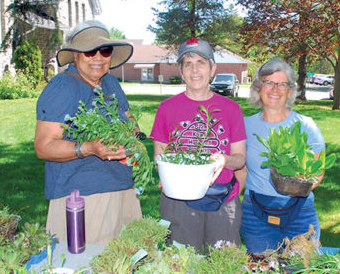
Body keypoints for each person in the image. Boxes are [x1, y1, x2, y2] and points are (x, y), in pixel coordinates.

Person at [34, 20, 142, 245]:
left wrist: (130, 133)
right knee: (88, 269)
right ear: (75, 55)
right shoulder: (63, 87)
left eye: (104, 51)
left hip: (123, 187)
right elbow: (44, 146)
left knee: (126, 265)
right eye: (89, 51)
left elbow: (130, 121)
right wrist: (89, 148)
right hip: (84, 196)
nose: (98, 58)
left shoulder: (110, 83)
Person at [150, 38, 246, 253]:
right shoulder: (166, 109)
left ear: (213, 69)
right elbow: (160, 157)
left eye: (201, 62)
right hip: (179, 201)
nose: (194, 70)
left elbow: (240, 157)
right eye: (188, 63)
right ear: (181, 71)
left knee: (224, 268)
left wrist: (225, 160)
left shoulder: (231, 109)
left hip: (223, 199)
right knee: (181, 266)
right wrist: (167, 174)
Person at [237, 57, 327, 253]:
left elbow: (318, 172)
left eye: (282, 84)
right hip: (255, 215)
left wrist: (297, 186)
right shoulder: (244, 125)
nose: (275, 89)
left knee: (303, 272)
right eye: (269, 83)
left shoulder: (306, 126)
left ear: (290, 91)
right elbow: (241, 169)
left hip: (299, 212)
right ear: (258, 88)